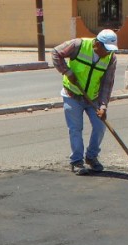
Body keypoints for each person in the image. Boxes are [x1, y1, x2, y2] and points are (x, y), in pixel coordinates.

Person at [51, 29, 119, 176]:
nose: (107, 53)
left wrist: (103, 105)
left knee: (100, 127)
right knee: (76, 129)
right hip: (72, 94)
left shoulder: (111, 58)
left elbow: (107, 84)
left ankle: (91, 156)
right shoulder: (78, 45)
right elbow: (56, 53)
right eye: (106, 50)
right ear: (97, 44)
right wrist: (67, 72)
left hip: (93, 98)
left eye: (110, 50)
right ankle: (77, 161)